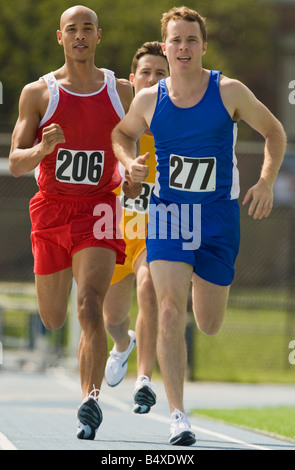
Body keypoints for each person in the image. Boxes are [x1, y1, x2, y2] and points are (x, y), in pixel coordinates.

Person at [111, 6, 287, 446]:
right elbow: (120, 132)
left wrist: (265, 182)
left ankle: (198, 293)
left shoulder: (229, 91)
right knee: (169, 309)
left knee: (207, 322)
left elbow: (275, 132)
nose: (184, 48)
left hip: (218, 217)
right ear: (165, 46)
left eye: (191, 40)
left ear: (203, 46)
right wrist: (128, 161)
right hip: (170, 214)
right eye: (176, 40)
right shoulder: (150, 99)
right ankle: (178, 416)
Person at [9, 5, 133, 441]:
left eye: (88, 29)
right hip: (51, 210)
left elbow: (138, 147)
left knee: (90, 306)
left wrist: (134, 176)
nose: (80, 36)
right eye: (71, 30)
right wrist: (42, 150)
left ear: (99, 36)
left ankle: (90, 400)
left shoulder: (123, 92)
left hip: (99, 207)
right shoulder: (37, 94)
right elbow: (15, 162)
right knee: (55, 317)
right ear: (59, 38)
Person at [103, 42, 169, 413]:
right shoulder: (116, 123)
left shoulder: (175, 126)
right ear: (132, 79)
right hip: (110, 230)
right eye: (146, 72)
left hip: (153, 232)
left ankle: (143, 379)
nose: (153, 79)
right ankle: (122, 345)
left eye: (161, 73)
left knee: (148, 287)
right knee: (113, 318)